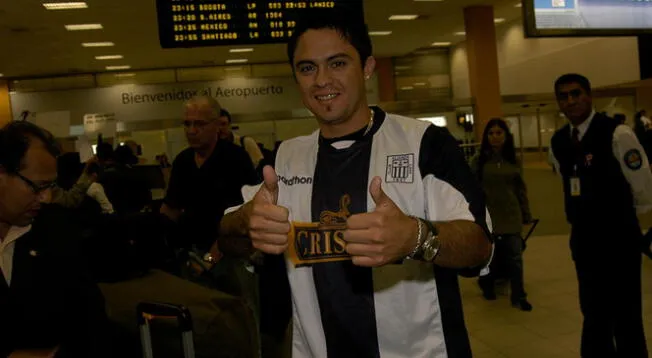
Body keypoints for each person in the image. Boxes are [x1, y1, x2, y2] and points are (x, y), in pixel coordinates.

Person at [219, 10, 492, 357]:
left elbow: (480, 246)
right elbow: (227, 235)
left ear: (366, 68)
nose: (321, 80)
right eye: (307, 68)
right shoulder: (285, 159)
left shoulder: (424, 143)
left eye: (337, 63)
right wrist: (245, 224)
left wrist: (414, 237)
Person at [549, 73, 652, 358]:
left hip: (620, 240)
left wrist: (632, 216)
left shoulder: (617, 133)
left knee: (626, 315)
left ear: (589, 95)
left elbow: (642, 182)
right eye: (564, 96)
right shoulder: (559, 142)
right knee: (593, 313)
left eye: (576, 93)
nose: (570, 101)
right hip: (584, 243)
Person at [0, 121, 109, 357]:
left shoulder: (56, 230)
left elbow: (91, 322)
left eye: (50, 186)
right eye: (37, 187)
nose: (47, 197)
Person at [160, 96, 258, 252]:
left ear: (217, 125)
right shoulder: (182, 161)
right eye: (187, 124)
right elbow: (171, 208)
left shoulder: (236, 158)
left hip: (229, 252)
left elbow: (251, 209)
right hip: (189, 251)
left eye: (199, 124)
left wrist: (219, 250)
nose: (191, 131)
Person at [471, 118, 533, 311]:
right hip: (489, 217)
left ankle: (518, 295)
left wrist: (526, 212)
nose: (495, 137)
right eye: (491, 133)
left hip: (511, 215)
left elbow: (520, 189)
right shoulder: (478, 160)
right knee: (489, 256)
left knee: (515, 257)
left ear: (506, 136)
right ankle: (487, 286)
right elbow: (471, 189)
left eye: (499, 133)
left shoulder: (513, 159)